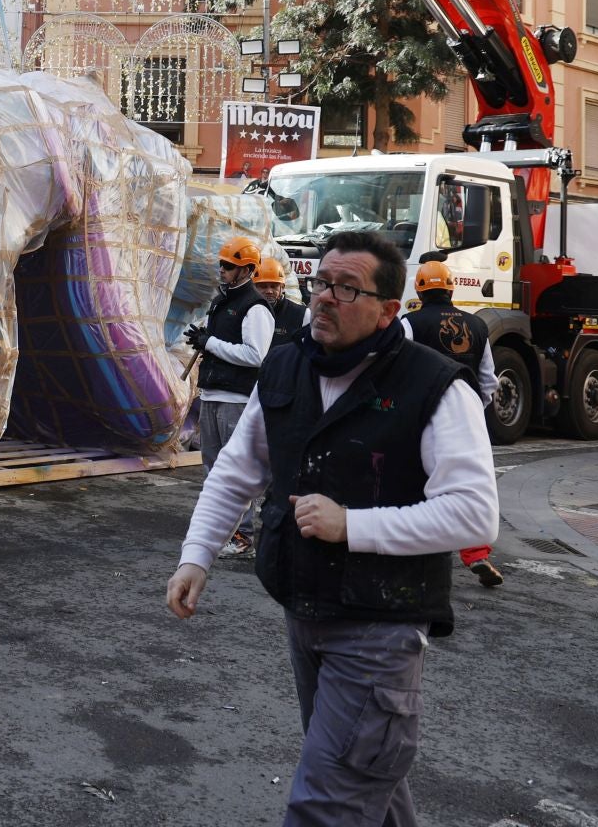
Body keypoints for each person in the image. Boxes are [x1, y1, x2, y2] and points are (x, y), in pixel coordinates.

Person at [166, 230, 498, 827]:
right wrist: (197, 555)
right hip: (304, 609)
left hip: (380, 626)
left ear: (389, 309)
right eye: (321, 282)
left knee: (329, 803)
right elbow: (238, 470)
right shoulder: (289, 364)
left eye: (347, 289)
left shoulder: (437, 387)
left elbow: (474, 513)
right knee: (363, 779)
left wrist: (353, 525)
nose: (324, 298)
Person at [402, 259, 504, 589]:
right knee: (467, 484)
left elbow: (397, 369)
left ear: (419, 288)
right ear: (451, 288)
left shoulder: (409, 323)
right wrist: (475, 407)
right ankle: (477, 554)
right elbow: (489, 379)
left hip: (425, 414)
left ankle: (420, 551)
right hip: (467, 416)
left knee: (419, 481)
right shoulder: (477, 325)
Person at [183, 236, 274, 556]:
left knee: (236, 469)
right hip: (212, 394)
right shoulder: (222, 301)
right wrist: (202, 339)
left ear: (248, 270)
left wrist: (210, 344)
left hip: (236, 399)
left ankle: (243, 536)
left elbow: (256, 355)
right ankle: (218, 532)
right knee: (212, 469)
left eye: (229, 266)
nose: (222, 270)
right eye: (222, 264)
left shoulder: (255, 307)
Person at [255, 256, 307, 344]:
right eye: (263, 286)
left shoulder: (301, 315)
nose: (269, 291)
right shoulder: (246, 312)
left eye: (274, 286)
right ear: (254, 288)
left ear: (282, 287)